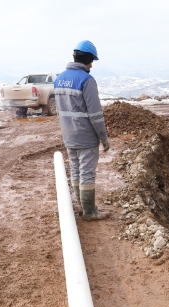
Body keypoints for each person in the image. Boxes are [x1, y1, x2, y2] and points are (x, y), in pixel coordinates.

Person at [54, 40, 111, 221]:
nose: (92, 65)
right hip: (85, 136)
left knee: (76, 170)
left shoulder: (59, 78)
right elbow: (95, 114)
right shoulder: (87, 80)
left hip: (69, 135)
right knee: (87, 172)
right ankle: (89, 212)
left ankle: (82, 207)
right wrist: (103, 138)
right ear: (87, 59)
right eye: (91, 61)